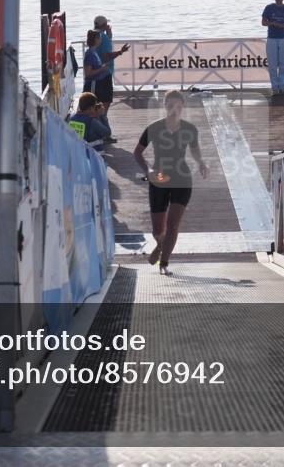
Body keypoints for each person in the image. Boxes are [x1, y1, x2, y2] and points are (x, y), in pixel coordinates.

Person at [132, 90, 209, 275]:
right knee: (158, 230)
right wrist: (148, 170)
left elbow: (195, 150)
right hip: (159, 178)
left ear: (183, 107)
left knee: (173, 224)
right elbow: (137, 152)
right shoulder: (154, 128)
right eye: (171, 106)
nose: (175, 110)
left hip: (182, 178)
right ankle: (160, 245)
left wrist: (201, 163)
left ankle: (164, 263)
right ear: (165, 106)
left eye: (179, 106)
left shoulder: (190, 129)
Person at [83, 29, 129, 139]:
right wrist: (102, 69)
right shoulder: (90, 54)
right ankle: (100, 134)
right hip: (94, 85)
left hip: (99, 83)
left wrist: (119, 52)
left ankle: (102, 133)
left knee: (100, 108)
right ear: (95, 39)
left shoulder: (94, 52)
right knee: (94, 108)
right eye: (99, 38)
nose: (101, 40)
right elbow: (88, 73)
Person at [93, 15, 120, 140]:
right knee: (105, 104)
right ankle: (104, 132)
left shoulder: (93, 35)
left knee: (98, 103)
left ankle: (100, 131)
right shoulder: (102, 37)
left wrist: (109, 37)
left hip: (96, 75)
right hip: (105, 73)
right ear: (103, 25)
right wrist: (119, 52)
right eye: (106, 24)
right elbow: (106, 55)